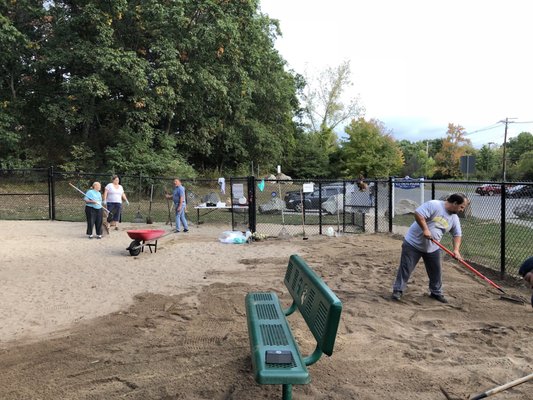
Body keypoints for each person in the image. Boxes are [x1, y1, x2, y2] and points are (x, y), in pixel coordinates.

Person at [391, 193, 469, 304]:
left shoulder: (454, 218)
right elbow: (418, 213)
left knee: (436, 271)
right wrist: (425, 229)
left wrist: (456, 250)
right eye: (462, 207)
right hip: (413, 244)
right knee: (406, 268)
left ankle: (436, 292)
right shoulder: (435, 205)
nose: (462, 210)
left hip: (433, 247)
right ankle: (398, 290)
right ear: (455, 203)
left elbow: (457, 234)